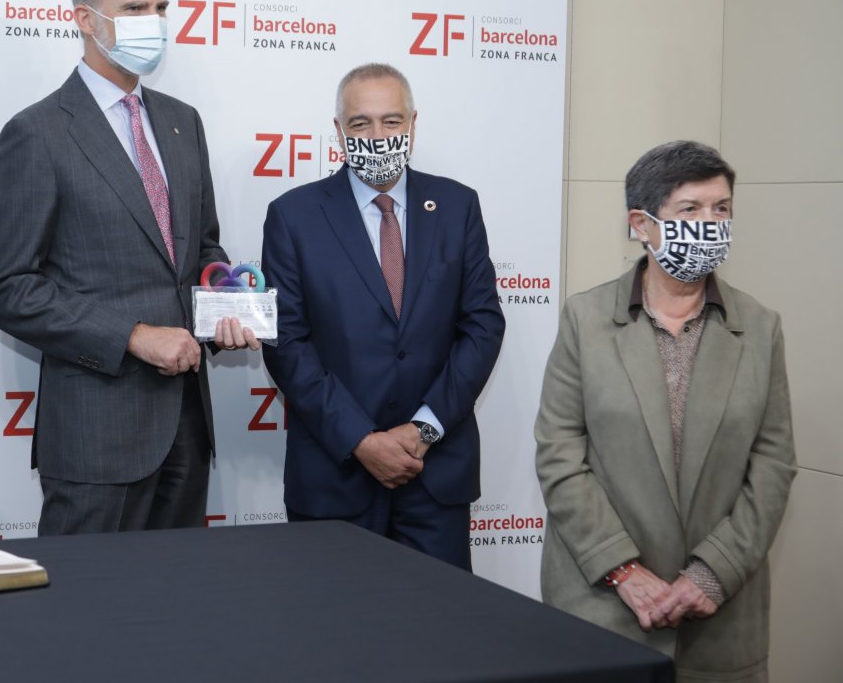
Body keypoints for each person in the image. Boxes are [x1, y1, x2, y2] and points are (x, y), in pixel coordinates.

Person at [0, 0, 256, 536]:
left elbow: (202, 250)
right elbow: (6, 288)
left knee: (178, 592)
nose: (153, 23)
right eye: (134, 9)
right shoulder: (37, 133)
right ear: (86, 18)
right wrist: (131, 336)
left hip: (187, 425)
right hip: (95, 437)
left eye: (161, 8)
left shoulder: (182, 122)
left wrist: (227, 307)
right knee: (89, 596)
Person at [535, 140, 796, 682]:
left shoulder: (760, 327)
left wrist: (712, 572)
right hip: (602, 604)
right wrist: (622, 570)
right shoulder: (585, 319)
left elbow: (773, 464)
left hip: (720, 614)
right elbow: (560, 454)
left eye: (721, 208)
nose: (710, 224)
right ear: (642, 224)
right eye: (690, 209)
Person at [261, 63, 505, 567]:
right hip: (335, 478)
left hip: (435, 476)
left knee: (438, 616)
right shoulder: (293, 216)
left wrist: (423, 430)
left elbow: (482, 326)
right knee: (336, 619)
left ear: (413, 124)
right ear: (338, 131)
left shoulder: (458, 206)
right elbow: (286, 343)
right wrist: (361, 440)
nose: (377, 135)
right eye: (361, 123)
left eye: (391, 121)